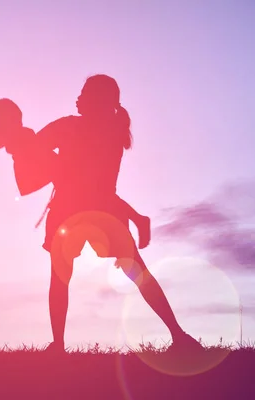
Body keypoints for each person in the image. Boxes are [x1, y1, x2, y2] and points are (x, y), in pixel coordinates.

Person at [29, 74, 201, 353]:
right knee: (139, 273)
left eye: (83, 93)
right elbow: (100, 191)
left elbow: (35, 150)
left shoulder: (70, 127)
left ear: (96, 100)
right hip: (103, 214)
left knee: (60, 279)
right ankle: (179, 336)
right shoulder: (113, 135)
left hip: (71, 213)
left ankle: (58, 346)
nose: (78, 98)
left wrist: (21, 144)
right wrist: (133, 216)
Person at [0, 98, 152, 249]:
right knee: (95, 192)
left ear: (9, 121)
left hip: (50, 169)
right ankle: (138, 219)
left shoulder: (21, 135)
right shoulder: (16, 135)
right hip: (47, 171)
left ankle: (139, 220)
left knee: (94, 192)